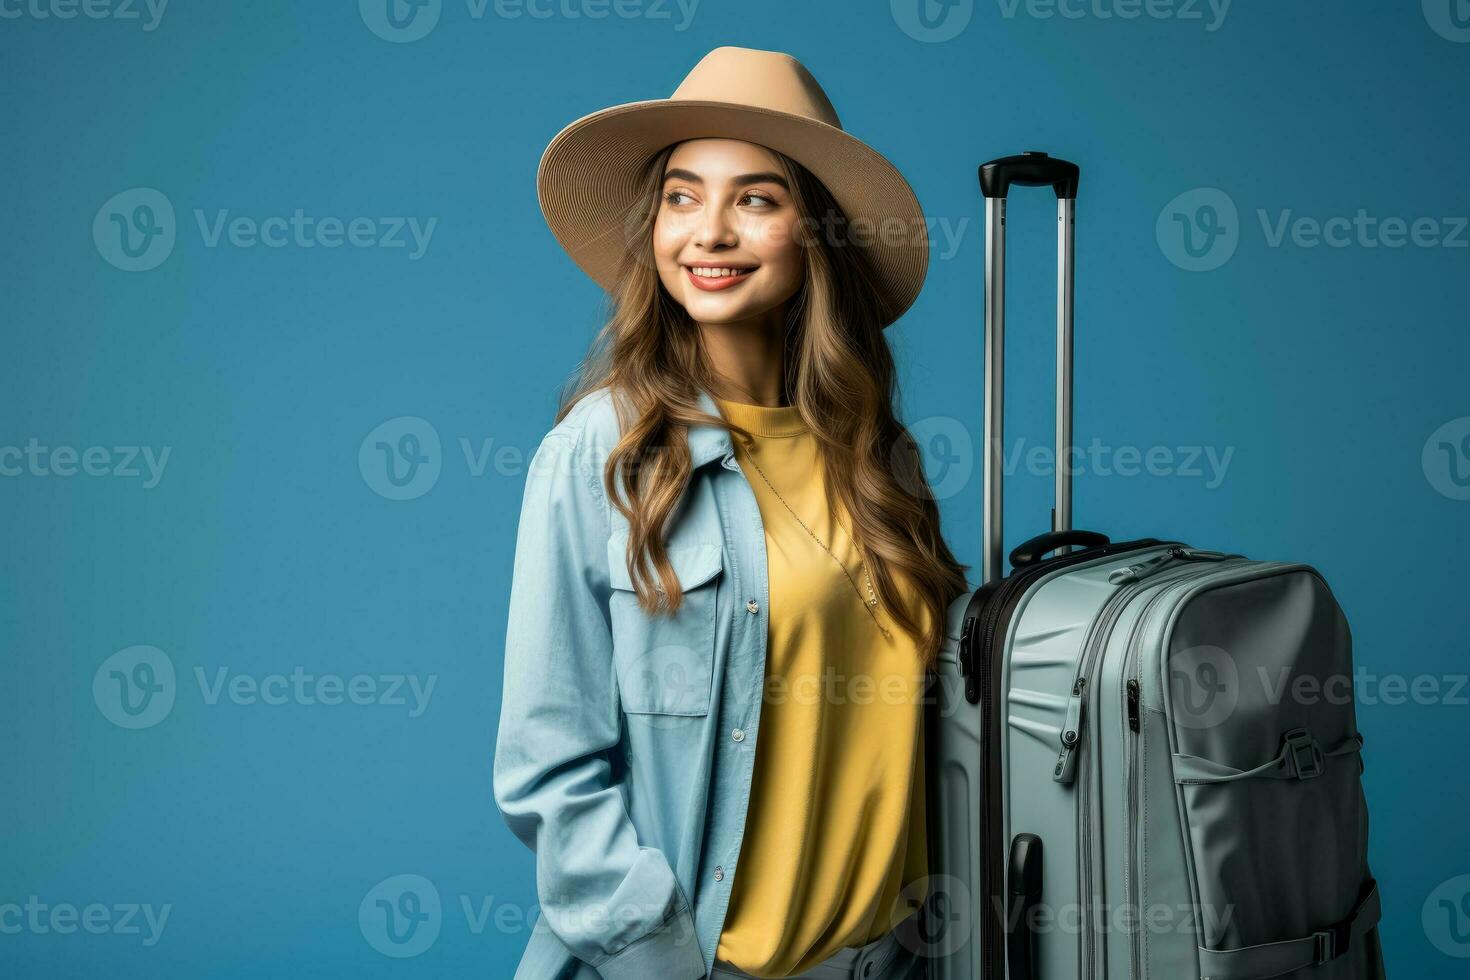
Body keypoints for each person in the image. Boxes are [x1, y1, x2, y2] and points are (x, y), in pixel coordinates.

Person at [493, 45, 968, 980]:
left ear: (815, 232)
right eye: (681, 195)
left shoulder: (879, 462)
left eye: (755, 198)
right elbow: (546, 766)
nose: (707, 231)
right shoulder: (604, 453)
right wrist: (660, 959)